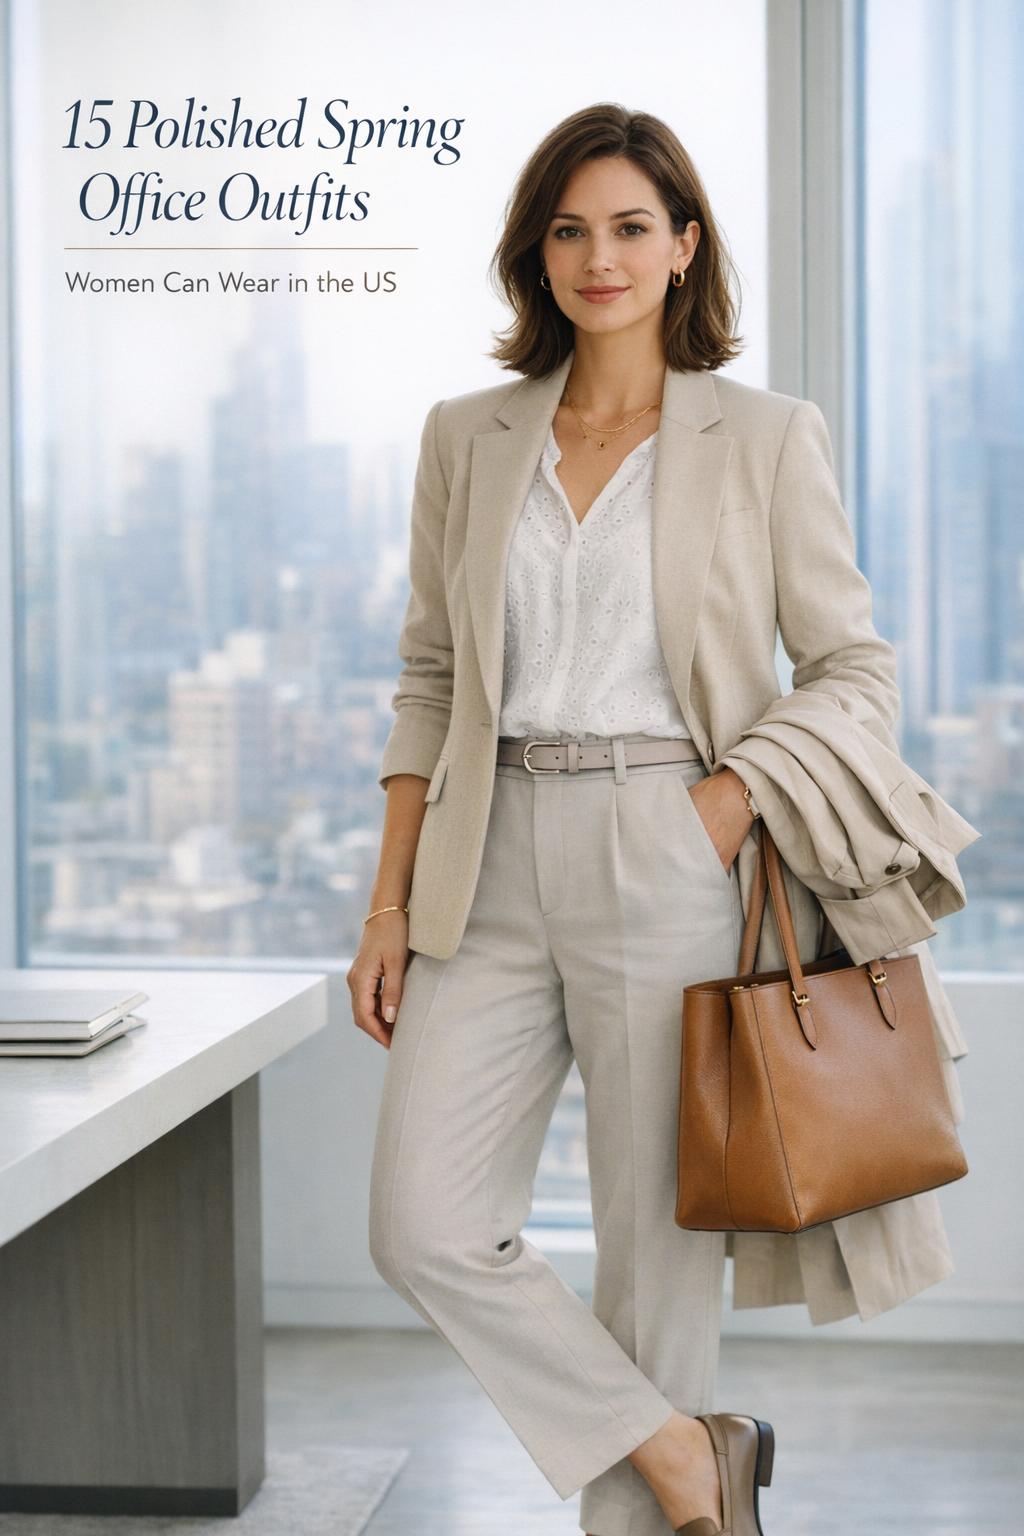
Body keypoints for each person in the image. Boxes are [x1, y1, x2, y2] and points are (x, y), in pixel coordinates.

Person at [347, 101, 881, 1536]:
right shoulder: (469, 436)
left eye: (632, 227)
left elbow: (851, 668)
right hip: (489, 850)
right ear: (537, 254)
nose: (601, 256)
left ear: (685, 247)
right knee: (422, 1227)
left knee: (653, 1264)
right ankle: (687, 1453)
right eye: (570, 229)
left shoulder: (764, 437)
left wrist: (721, 803)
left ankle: (670, 1502)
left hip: (669, 837)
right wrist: (388, 904)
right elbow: (431, 678)